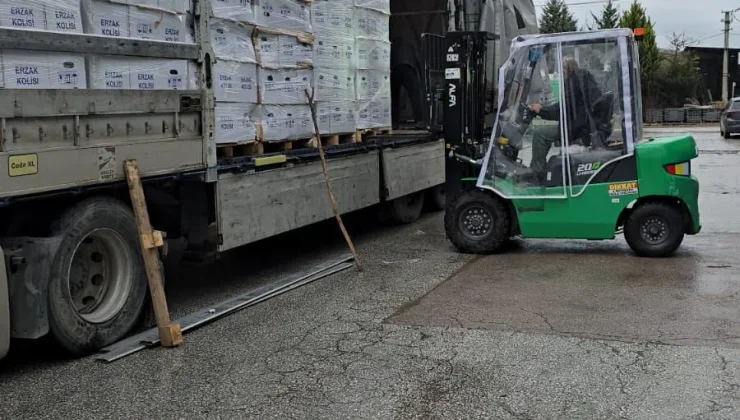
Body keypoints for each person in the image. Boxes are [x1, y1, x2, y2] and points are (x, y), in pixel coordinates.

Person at [526, 56, 603, 177]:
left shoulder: (573, 81)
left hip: (577, 127)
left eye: (563, 68)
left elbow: (562, 109)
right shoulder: (582, 79)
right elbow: (566, 106)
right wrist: (544, 108)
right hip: (581, 123)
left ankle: (537, 173)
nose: (561, 71)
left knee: (540, 133)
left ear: (570, 68)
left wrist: (541, 109)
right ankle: (538, 169)